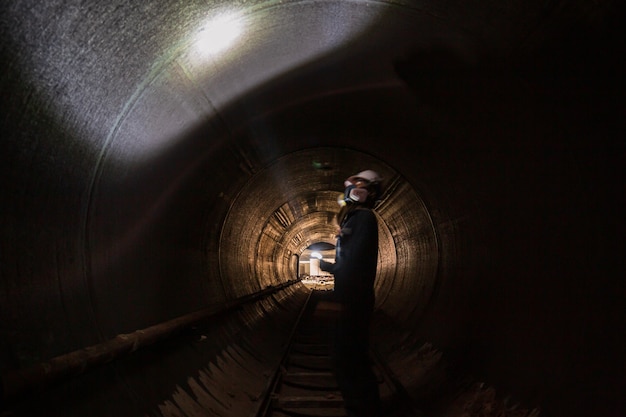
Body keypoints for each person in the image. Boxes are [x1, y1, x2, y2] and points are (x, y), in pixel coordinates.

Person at [319, 169, 383, 417]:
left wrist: (339, 301)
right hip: (351, 298)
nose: (352, 186)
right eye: (352, 182)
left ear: (370, 191)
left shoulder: (364, 219)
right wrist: (329, 267)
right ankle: (362, 408)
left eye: (359, 183)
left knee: (350, 360)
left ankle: (364, 410)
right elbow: (349, 261)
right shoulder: (354, 218)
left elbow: (355, 264)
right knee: (347, 358)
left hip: (352, 300)